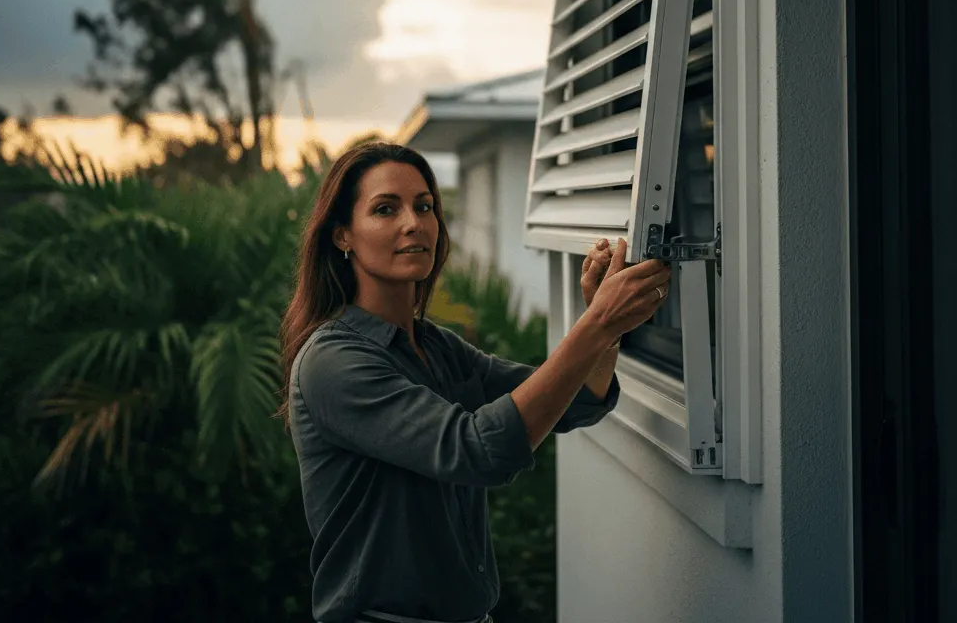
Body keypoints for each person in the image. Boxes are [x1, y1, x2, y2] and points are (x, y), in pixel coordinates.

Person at [278, 142, 671, 623]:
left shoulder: (436, 347)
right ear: (343, 235)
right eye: (386, 209)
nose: (414, 223)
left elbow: (575, 402)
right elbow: (478, 450)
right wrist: (598, 325)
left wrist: (602, 326)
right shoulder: (333, 361)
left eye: (425, 207)